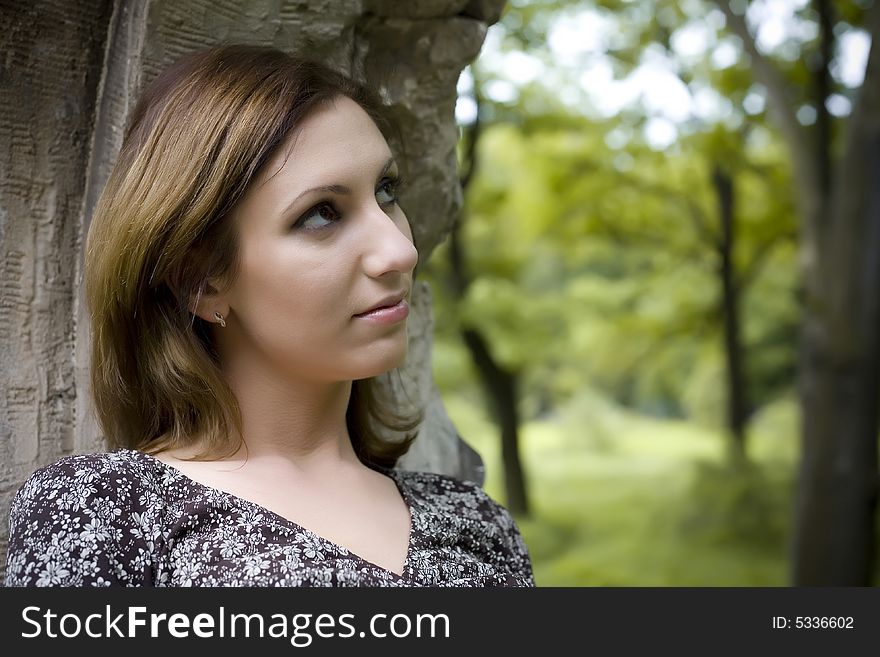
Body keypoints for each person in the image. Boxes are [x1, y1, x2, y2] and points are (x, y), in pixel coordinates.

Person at [3, 44, 535, 587]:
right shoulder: (107, 516)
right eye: (322, 214)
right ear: (202, 280)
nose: (400, 251)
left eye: (386, 191)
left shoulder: (477, 525)